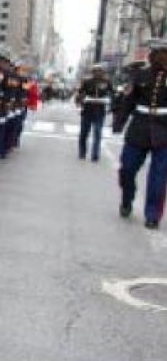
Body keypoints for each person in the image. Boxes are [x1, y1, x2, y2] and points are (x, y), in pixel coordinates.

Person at [113, 40, 167, 229]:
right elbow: (128, 100)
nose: (162, 57)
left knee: (159, 177)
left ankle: (152, 215)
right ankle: (127, 199)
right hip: (139, 128)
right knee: (127, 169)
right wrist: (119, 121)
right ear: (152, 55)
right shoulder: (140, 74)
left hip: (164, 131)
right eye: (159, 53)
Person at [75, 63, 112, 162]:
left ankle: (95, 155)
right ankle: (82, 152)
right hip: (87, 110)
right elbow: (80, 94)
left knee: (98, 133)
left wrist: (108, 102)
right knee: (84, 133)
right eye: (96, 71)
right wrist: (81, 102)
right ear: (93, 72)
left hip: (100, 111)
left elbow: (111, 94)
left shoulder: (107, 82)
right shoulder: (87, 82)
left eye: (100, 71)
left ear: (103, 72)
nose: (98, 73)